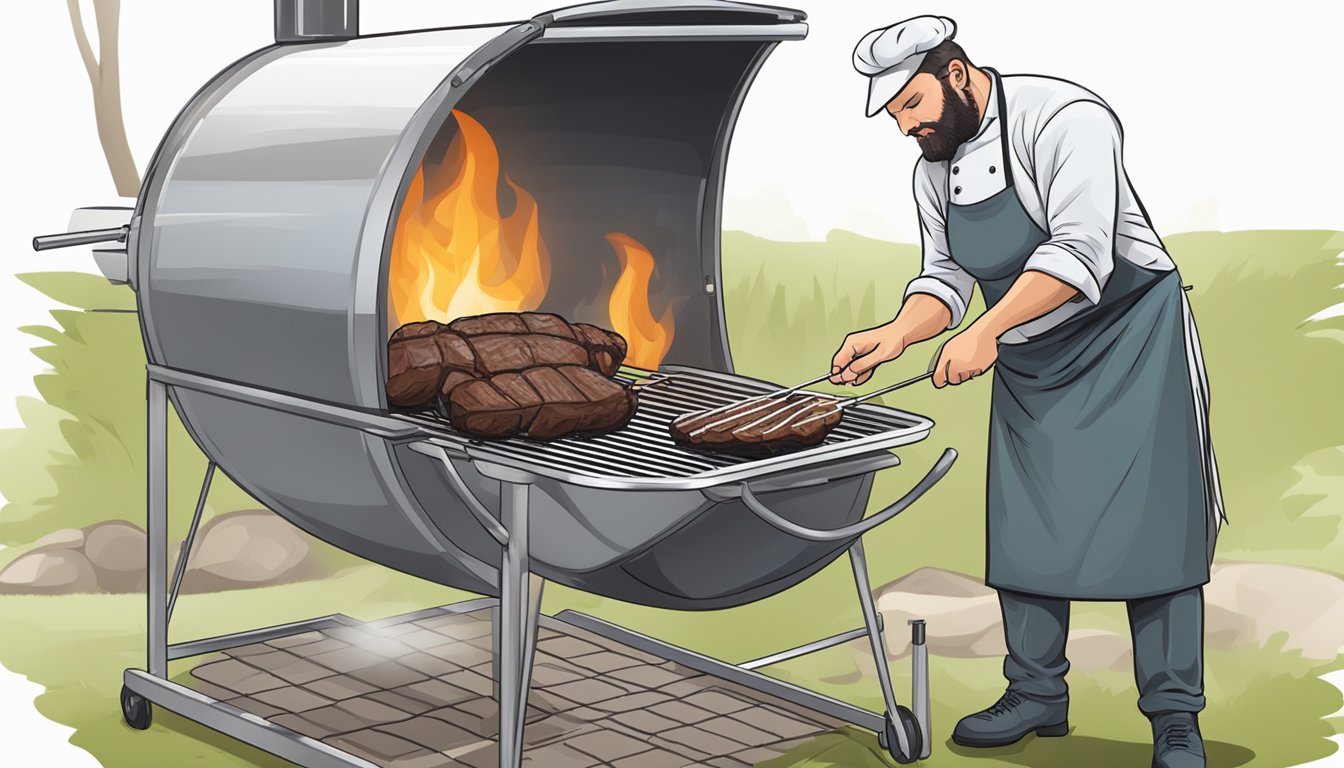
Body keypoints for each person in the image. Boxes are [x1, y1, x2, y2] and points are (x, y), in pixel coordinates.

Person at [833, 15, 1226, 768]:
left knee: (1155, 531)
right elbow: (947, 280)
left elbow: (1081, 249)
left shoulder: (1067, 120)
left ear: (956, 75)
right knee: (1027, 527)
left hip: (1129, 339)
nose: (907, 127)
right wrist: (894, 335)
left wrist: (987, 332)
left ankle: (1175, 715)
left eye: (911, 106)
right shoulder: (932, 170)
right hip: (1030, 359)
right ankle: (1037, 691)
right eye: (894, 116)